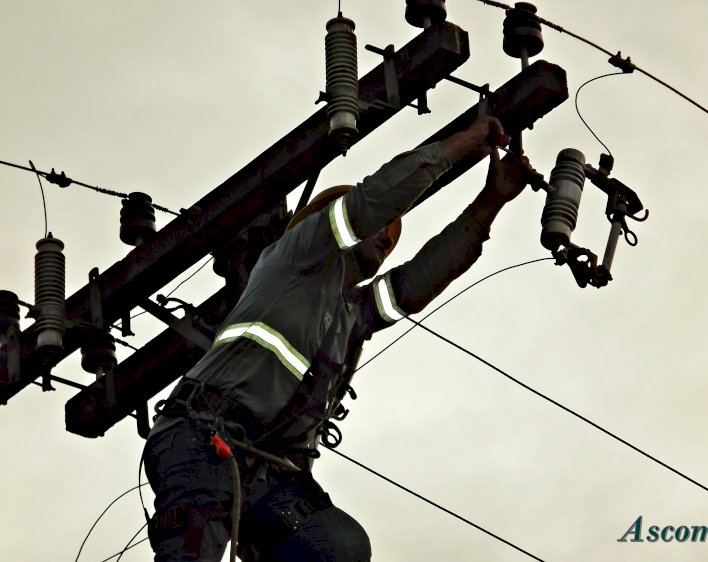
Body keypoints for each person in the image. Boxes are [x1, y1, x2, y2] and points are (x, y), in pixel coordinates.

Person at [143, 116, 529, 561]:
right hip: (202, 435)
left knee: (339, 547)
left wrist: (491, 202)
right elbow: (371, 201)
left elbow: (418, 281)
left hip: (265, 474)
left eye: (391, 240)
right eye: (382, 229)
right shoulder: (295, 256)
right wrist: (467, 141)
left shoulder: (352, 315)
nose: (387, 238)